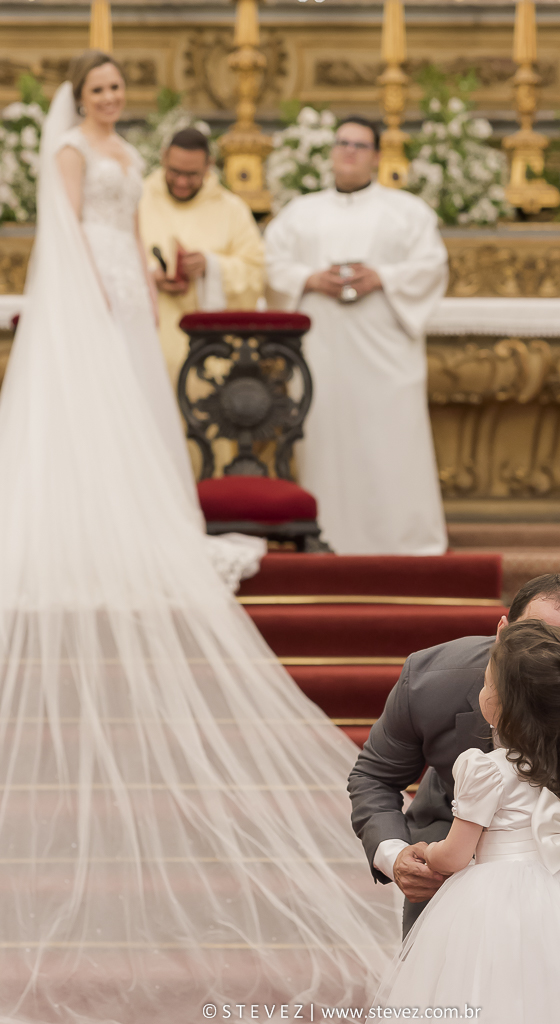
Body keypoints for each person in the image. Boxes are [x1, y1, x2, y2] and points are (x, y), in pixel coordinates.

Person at [0, 50, 399, 1023]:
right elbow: (64, 231)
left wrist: (138, 279)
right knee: (84, 417)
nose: (110, 99)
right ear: (77, 97)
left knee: (140, 421)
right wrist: (91, 296)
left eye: (115, 89)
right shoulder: (62, 149)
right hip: (81, 293)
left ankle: (132, 522)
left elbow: (130, 224)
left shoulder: (126, 150)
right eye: (99, 90)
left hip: (132, 292)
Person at [373, 619, 560, 1023]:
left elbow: (454, 856)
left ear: (495, 704)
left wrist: (427, 852)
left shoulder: (484, 770)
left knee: (493, 991)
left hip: (495, 907)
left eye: (487, 684)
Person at [348, 573, 560, 938]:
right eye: (528, 640)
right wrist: (394, 854)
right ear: (501, 632)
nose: (539, 666)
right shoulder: (430, 680)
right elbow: (375, 776)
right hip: (450, 849)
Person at [264, 117, 448, 556]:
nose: (349, 151)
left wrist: (382, 276)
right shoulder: (301, 211)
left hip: (385, 350)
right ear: (331, 151)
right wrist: (309, 279)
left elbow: (432, 267)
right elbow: (269, 264)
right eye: (342, 143)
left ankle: (402, 540)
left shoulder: (407, 211)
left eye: (360, 145)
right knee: (324, 438)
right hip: (321, 346)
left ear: (377, 156)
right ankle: (324, 535)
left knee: (391, 440)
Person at [139, 127, 264, 389]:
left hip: (208, 348)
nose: (182, 182)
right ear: (163, 158)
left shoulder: (232, 209)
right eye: (175, 172)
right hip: (147, 339)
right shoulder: (138, 200)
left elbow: (257, 272)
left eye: (192, 175)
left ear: (209, 166)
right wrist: (150, 275)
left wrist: (212, 267)